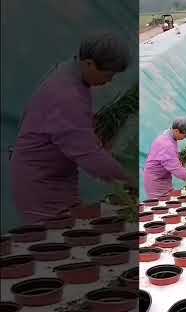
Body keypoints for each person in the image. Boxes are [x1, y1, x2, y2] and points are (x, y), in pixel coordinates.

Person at [11, 33, 135, 225]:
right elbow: (88, 153)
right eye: (108, 75)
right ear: (89, 63)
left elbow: (68, 126)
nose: (109, 81)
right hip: (41, 183)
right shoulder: (66, 94)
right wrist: (126, 178)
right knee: (56, 237)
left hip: (56, 175)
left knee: (70, 228)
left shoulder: (70, 71)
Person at [143, 118, 186, 199]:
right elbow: (176, 169)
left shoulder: (168, 136)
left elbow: (167, 158)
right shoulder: (166, 144)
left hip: (163, 178)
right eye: (184, 135)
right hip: (157, 182)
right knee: (161, 204)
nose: (185, 137)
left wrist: (180, 156)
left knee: (169, 200)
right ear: (176, 131)